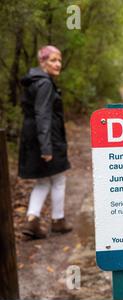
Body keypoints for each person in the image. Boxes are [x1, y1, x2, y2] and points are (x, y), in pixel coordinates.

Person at [19, 45, 72, 239]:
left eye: (59, 60)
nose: (58, 64)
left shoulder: (35, 81)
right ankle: (58, 221)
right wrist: (47, 147)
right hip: (47, 139)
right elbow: (42, 114)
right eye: (53, 60)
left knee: (43, 182)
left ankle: (32, 221)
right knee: (58, 179)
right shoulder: (44, 84)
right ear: (42, 62)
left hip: (35, 139)